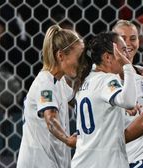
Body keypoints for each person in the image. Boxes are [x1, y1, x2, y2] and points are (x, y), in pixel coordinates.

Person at [17, 25, 84, 168]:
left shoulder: (59, 83)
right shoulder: (45, 83)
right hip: (37, 163)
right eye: (79, 57)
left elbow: (81, 102)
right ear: (60, 55)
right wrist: (68, 140)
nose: (81, 63)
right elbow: (51, 119)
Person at [71, 31, 137, 168]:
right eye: (123, 51)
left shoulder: (85, 81)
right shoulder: (107, 80)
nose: (127, 55)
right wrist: (128, 67)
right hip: (104, 163)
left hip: (82, 162)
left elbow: (101, 114)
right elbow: (129, 101)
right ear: (108, 57)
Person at [112, 19, 143, 167]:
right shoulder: (102, 78)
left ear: (139, 41)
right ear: (113, 43)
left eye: (133, 38)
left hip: (139, 156)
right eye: (122, 38)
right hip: (109, 155)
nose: (128, 43)